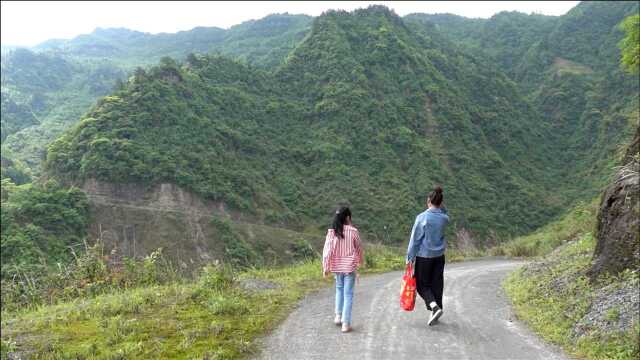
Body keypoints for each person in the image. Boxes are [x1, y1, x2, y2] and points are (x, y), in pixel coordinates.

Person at [406, 186, 450, 326]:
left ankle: (434, 307)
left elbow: (415, 240)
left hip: (424, 257)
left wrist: (410, 258)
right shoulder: (444, 218)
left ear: (428, 200)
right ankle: (436, 310)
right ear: (441, 202)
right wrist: (440, 206)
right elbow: (444, 212)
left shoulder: (422, 217)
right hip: (439, 256)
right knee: (437, 284)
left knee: (421, 285)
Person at [322, 206, 364, 333]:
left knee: (339, 290)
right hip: (349, 267)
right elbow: (359, 248)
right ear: (347, 217)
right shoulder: (353, 231)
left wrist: (326, 267)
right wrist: (360, 261)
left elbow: (327, 250)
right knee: (348, 294)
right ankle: (346, 324)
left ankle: (338, 316)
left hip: (336, 267)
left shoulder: (331, 232)